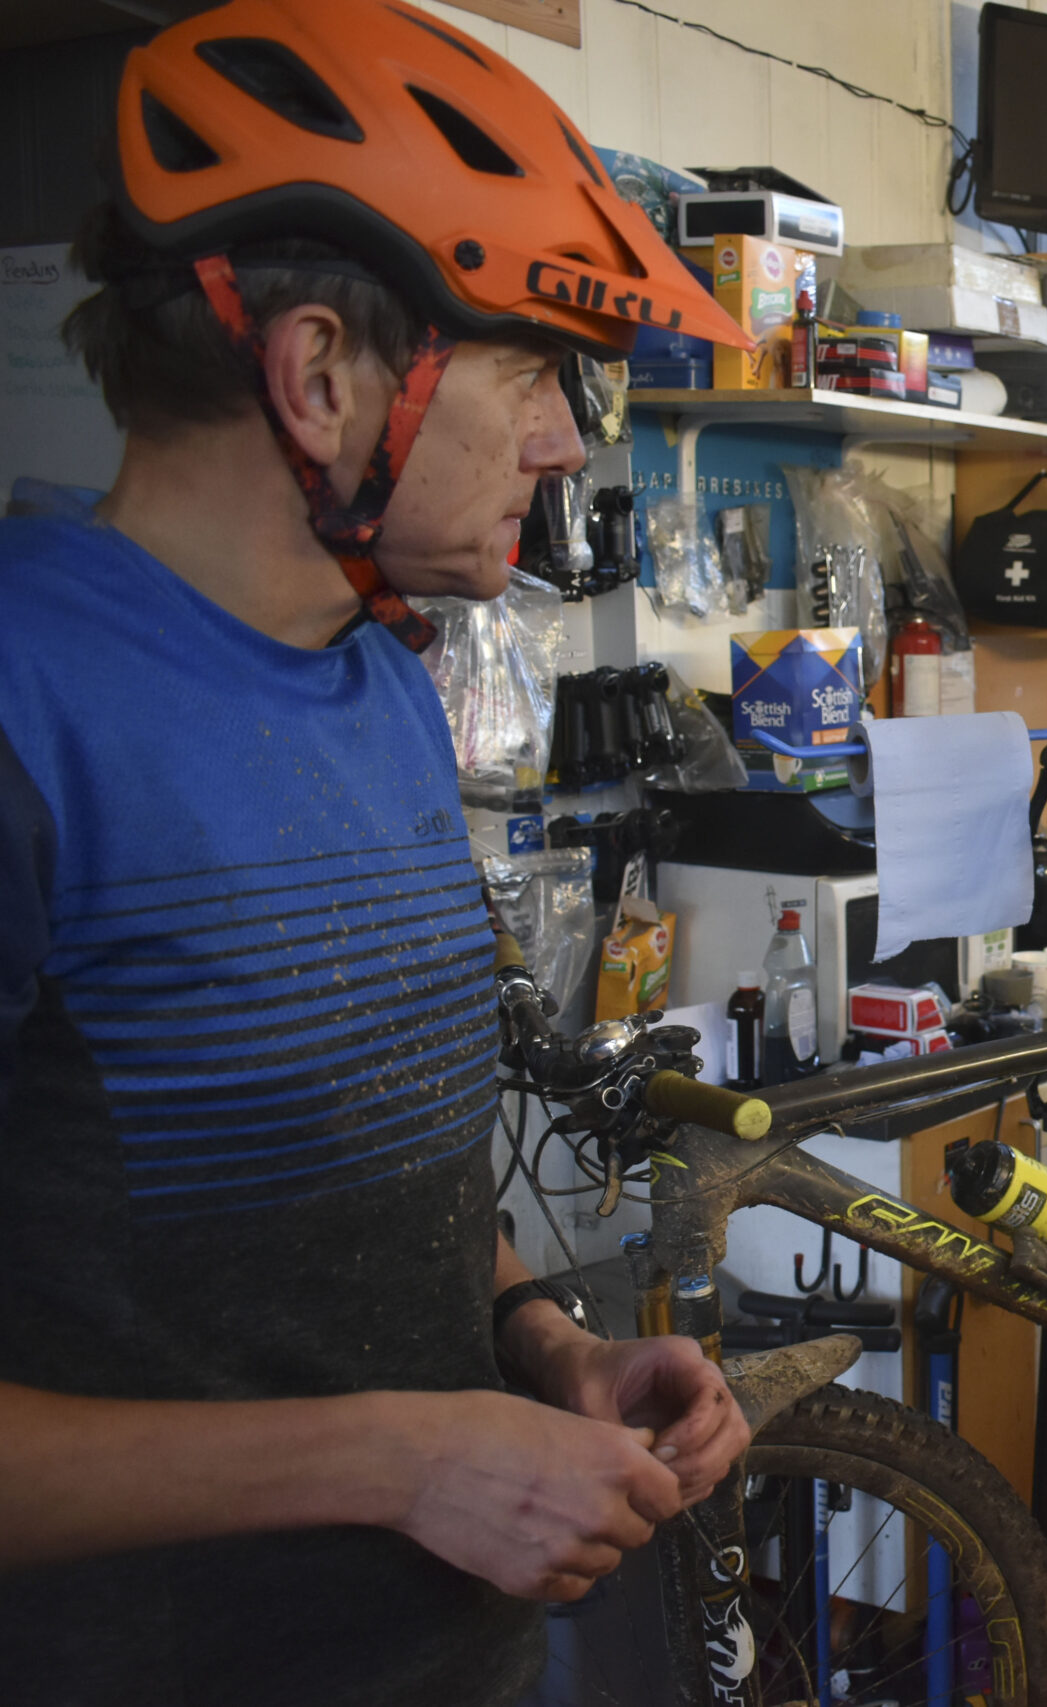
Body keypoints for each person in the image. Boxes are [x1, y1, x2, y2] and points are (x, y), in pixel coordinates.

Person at [0, 3, 759, 1702]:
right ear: (323, 374)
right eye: (531, 374)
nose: (566, 444)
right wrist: (400, 1459)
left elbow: (367, 1176)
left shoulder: (383, 681)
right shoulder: (25, 708)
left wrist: (539, 1343)